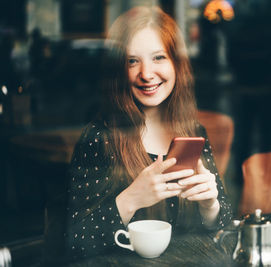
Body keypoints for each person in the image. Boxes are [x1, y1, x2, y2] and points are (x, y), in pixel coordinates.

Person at [64, 6, 232, 261]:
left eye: (158, 57)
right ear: (119, 69)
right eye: (132, 61)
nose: (146, 73)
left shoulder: (193, 131)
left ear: (177, 63)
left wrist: (210, 205)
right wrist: (131, 199)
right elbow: (74, 241)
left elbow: (224, 221)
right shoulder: (100, 137)